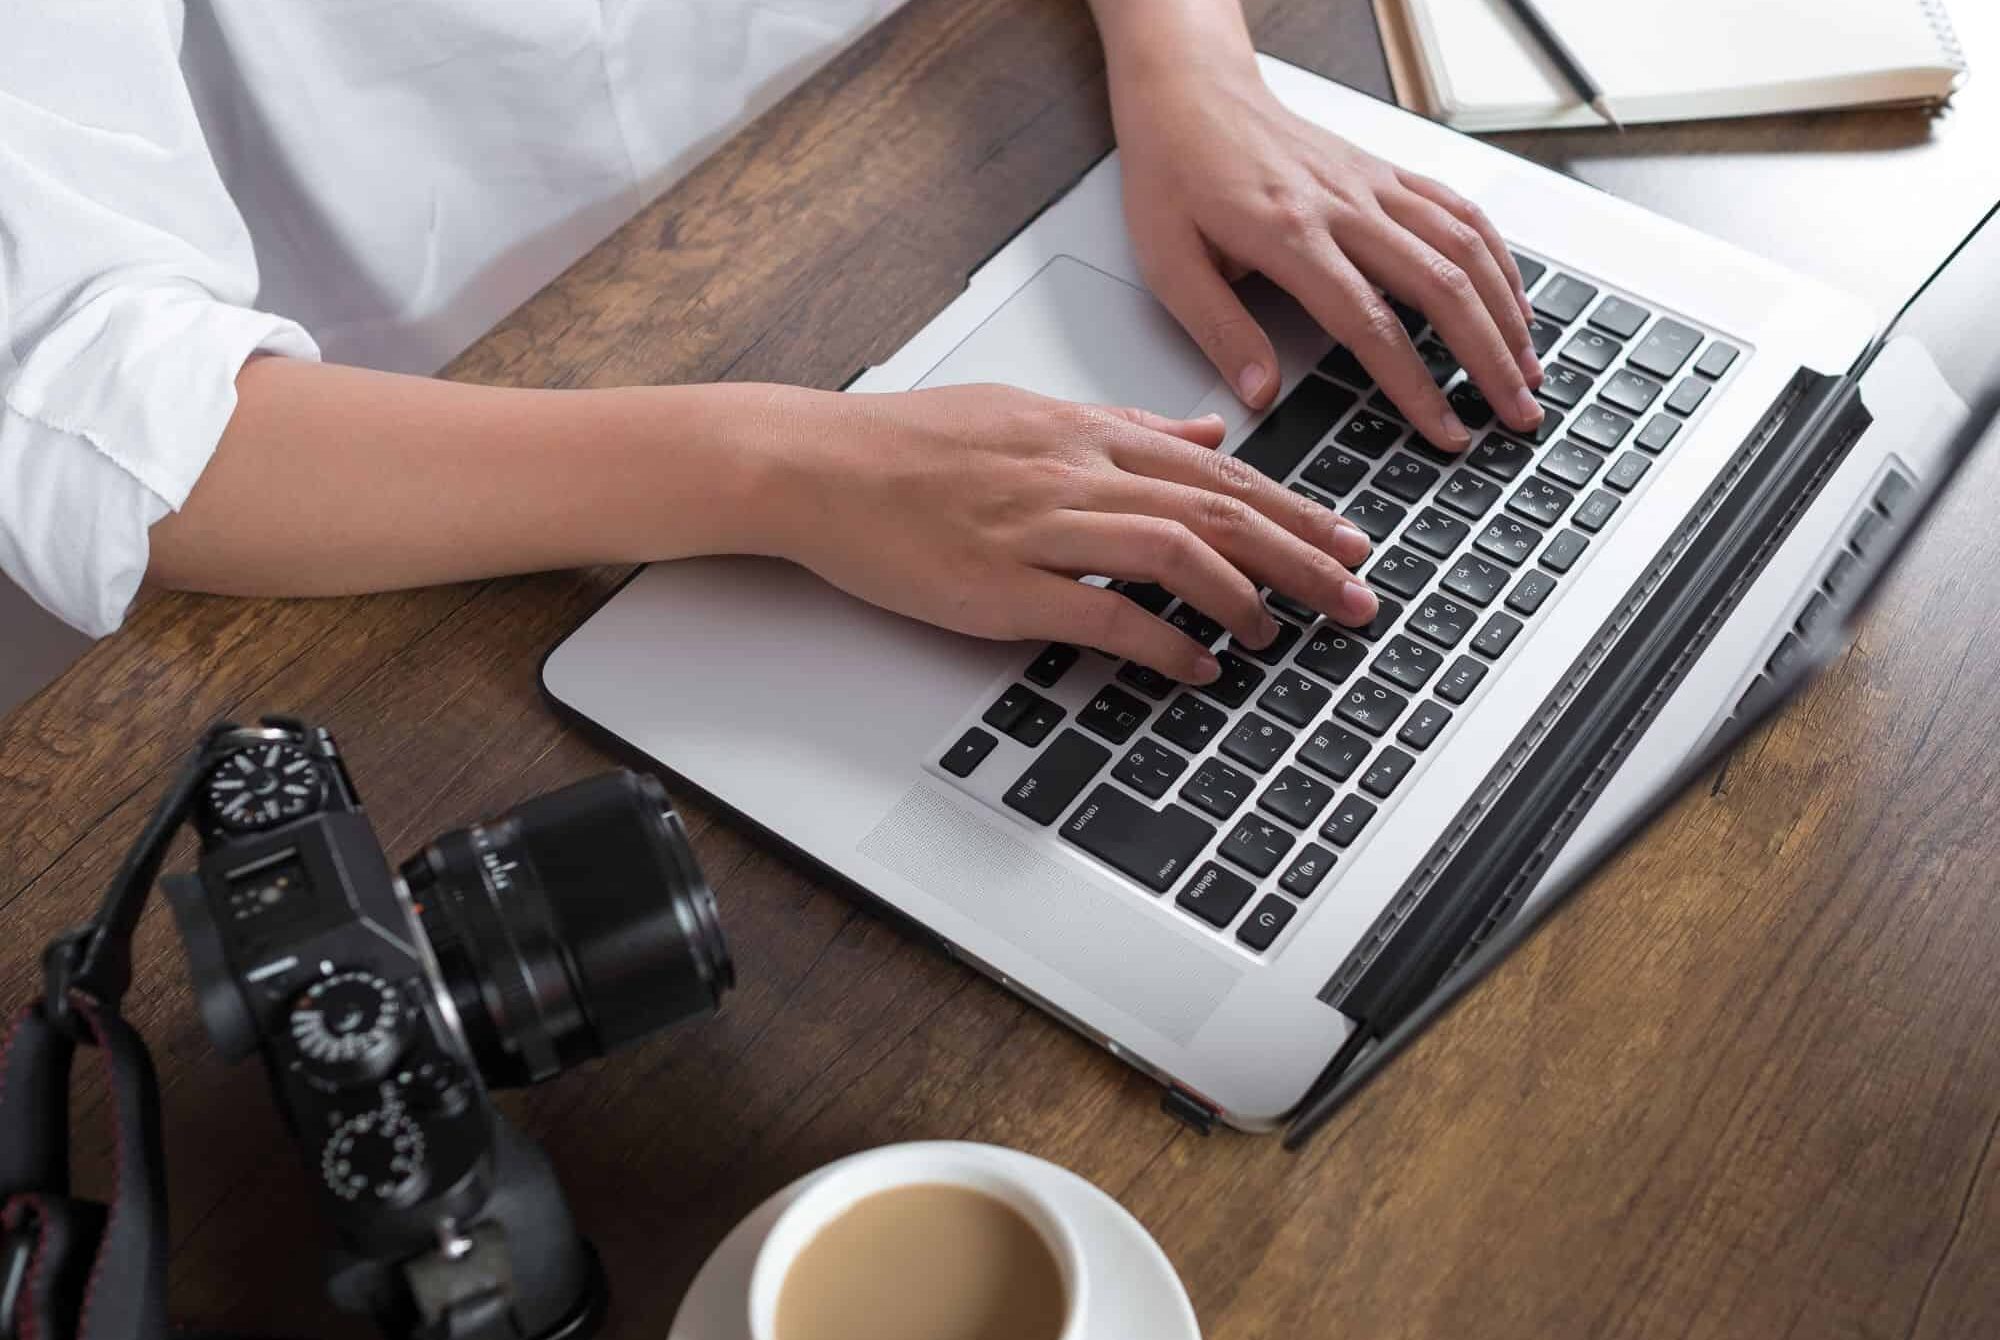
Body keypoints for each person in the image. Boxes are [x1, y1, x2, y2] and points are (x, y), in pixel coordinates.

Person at [1, 0, 1543, 687]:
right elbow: (98, 416)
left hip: (952, 160)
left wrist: (1185, 56)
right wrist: (796, 469)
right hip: (484, 475)